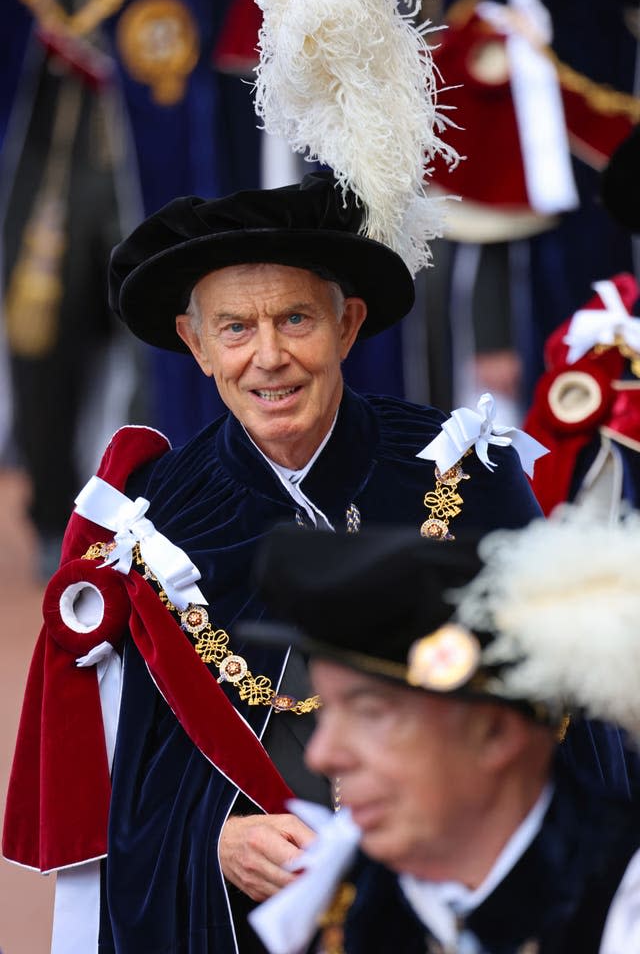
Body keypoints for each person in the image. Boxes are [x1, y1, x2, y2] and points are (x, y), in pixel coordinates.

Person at [2, 169, 547, 954]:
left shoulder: (466, 477)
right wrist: (214, 842)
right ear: (195, 344)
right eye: (234, 329)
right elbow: (129, 792)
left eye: (296, 319)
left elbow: (559, 722)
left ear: (348, 325)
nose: (269, 359)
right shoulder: (152, 524)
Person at [245, 514, 640, 954]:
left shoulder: (622, 909)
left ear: (494, 732)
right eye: (328, 709)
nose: (322, 755)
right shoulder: (345, 901)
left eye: (370, 713)